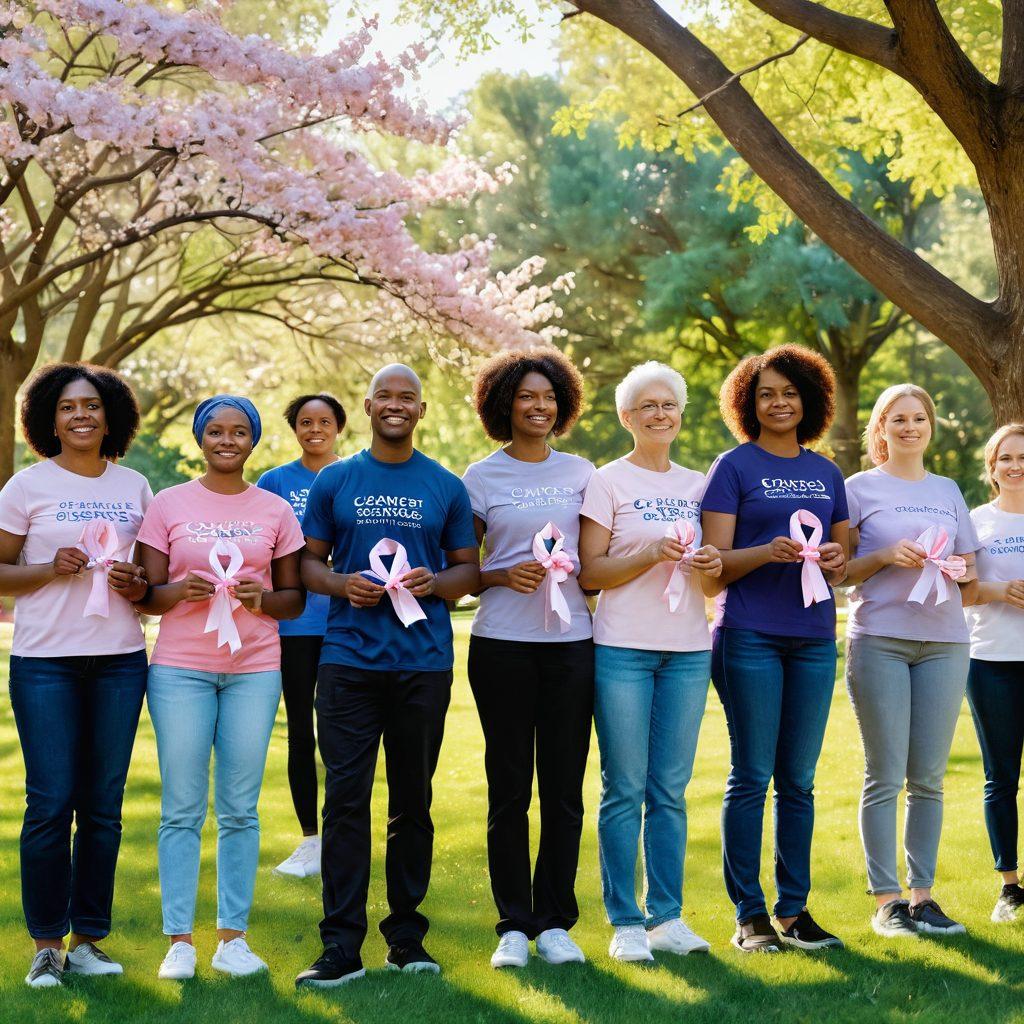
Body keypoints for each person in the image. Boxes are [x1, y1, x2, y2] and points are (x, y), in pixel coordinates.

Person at [295, 364, 479, 988]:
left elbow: (468, 573)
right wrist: (341, 584)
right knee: (345, 802)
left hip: (422, 666)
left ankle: (406, 938)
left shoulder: (446, 486)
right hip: (347, 663)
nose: (396, 405)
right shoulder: (337, 480)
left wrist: (438, 584)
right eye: (386, 397)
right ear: (368, 406)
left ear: (421, 411)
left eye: (409, 397)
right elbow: (308, 567)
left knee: (412, 805)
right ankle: (339, 946)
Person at [135, 395, 305, 981]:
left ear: (252, 440)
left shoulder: (277, 509)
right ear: (199, 438)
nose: (226, 440)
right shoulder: (167, 504)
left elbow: (293, 599)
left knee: (239, 807)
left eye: (238, 431)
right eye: (215, 430)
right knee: (181, 807)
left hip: (254, 669)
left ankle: (233, 937)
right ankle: (179, 940)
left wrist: (264, 599)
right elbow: (145, 594)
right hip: (180, 667)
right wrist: (180, 592)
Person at [0, 362, 150, 988]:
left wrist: (136, 583)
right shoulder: (25, 487)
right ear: (47, 420)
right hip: (45, 663)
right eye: (67, 407)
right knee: (50, 802)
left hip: (119, 658)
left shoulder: (137, 487)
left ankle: (88, 939)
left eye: (92, 405)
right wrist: (48, 569)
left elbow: (150, 580)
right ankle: (45, 945)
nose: (81, 415)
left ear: (109, 415)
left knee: (103, 806)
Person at [700, 344, 848, 954]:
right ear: (748, 403)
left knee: (800, 780)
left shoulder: (828, 473)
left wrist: (837, 560)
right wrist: (766, 551)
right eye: (766, 393)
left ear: (808, 400)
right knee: (752, 774)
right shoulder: (732, 467)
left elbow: (840, 562)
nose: (779, 402)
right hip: (748, 635)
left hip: (814, 639)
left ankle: (794, 910)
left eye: (789, 392)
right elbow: (711, 572)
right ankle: (749, 914)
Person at [578, 361, 722, 963]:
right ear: (626, 417)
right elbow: (590, 573)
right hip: (621, 648)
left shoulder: (700, 486)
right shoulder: (605, 481)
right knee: (624, 787)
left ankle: (667, 917)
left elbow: (714, 587)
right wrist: (644, 551)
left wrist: (713, 566)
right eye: (648, 407)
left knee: (670, 789)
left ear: (680, 415)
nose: (660, 414)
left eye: (669, 405)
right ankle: (626, 921)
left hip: (689, 650)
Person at [462, 347, 594, 971]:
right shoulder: (480, 477)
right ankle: (514, 922)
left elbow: (594, 565)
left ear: (561, 405)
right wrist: (496, 574)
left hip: (572, 648)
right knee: (509, 788)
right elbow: (462, 574)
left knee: (565, 790)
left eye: (548, 398)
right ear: (502, 405)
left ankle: (555, 922)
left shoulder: (584, 473)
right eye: (526, 398)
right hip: (502, 648)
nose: (538, 407)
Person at [843, 383, 978, 938]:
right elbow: (838, 570)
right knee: (885, 774)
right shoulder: (857, 489)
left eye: (918, 418)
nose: (909, 427)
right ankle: (887, 901)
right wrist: (883, 556)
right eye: (897, 418)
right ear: (880, 429)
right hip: (880, 640)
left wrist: (959, 569)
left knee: (928, 778)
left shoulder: (948, 489)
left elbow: (971, 569)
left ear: (930, 426)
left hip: (945, 643)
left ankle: (923, 897)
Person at [257, 392, 346, 878]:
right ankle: (310, 841)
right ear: (295, 428)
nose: (315, 429)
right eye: (306, 422)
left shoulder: (354, 473)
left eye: (325, 421)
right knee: (299, 733)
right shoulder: (275, 482)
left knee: (340, 735)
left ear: (339, 427)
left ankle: (341, 837)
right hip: (292, 626)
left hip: (346, 626)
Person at [961, 424, 1024, 922]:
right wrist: (1001, 591)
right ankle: (1010, 887)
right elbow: (962, 590)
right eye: (1006, 457)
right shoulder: (976, 521)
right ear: (992, 466)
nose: (1016, 465)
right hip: (991, 663)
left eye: (1023, 457)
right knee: (1001, 777)